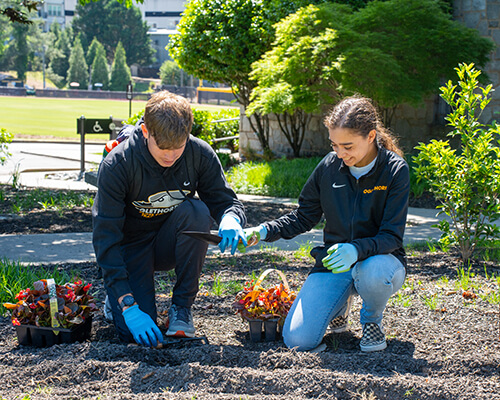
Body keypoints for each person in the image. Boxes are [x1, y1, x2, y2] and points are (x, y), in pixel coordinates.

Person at [243, 96, 409, 352]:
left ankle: (372, 322)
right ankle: (339, 307)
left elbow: (391, 235)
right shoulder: (329, 167)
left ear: (371, 136)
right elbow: (303, 216)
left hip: (381, 261)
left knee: (371, 272)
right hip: (335, 264)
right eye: (334, 145)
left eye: (348, 146)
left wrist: (355, 250)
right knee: (298, 340)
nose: (340, 154)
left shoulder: (395, 170)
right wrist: (264, 230)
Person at [92, 91, 247, 347]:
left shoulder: (199, 154)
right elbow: (106, 239)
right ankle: (118, 297)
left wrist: (231, 218)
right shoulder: (118, 164)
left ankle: (181, 308)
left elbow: (226, 201)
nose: (170, 156)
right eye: (163, 148)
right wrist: (127, 304)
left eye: (178, 147)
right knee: (137, 336)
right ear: (145, 132)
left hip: (169, 242)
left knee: (197, 211)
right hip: (130, 248)